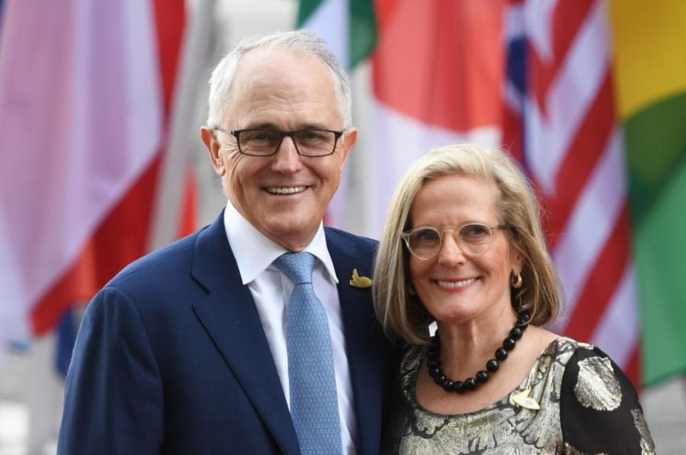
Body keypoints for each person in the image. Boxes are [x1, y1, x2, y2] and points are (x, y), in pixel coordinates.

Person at [58, 31, 394, 455]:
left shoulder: (388, 283)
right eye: (260, 136)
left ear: (344, 149)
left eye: (312, 136)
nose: (288, 163)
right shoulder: (138, 309)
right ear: (215, 149)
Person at [373, 144, 655, 454]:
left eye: (474, 232)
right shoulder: (395, 379)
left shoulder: (578, 380)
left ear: (518, 253)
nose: (450, 256)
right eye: (426, 237)